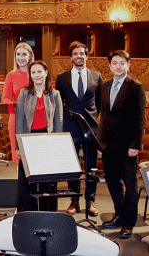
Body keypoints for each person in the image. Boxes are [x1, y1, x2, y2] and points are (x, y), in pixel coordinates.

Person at [99, 50, 146, 239]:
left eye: (122, 63)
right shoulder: (105, 86)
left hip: (128, 145)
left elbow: (140, 119)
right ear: (109, 66)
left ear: (128, 65)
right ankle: (118, 215)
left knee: (130, 185)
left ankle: (129, 222)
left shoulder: (136, 87)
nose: (118, 66)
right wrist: (100, 142)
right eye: (115, 63)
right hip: (108, 145)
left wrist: (135, 144)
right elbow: (104, 116)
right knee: (112, 182)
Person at [55, 41, 103, 217]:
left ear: (87, 56)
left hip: (90, 128)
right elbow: (59, 103)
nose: (79, 56)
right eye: (75, 54)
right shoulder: (62, 77)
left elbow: (99, 103)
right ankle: (74, 200)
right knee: (72, 166)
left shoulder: (97, 76)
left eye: (82, 53)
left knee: (92, 167)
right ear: (70, 58)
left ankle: (91, 201)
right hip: (70, 128)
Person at [15, 60, 63, 212]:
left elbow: (58, 121)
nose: (36, 75)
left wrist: (56, 144)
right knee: (26, 180)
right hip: (28, 139)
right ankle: (25, 213)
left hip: (47, 139)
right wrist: (18, 146)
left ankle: (47, 212)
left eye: (39, 71)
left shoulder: (55, 94)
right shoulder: (24, 93)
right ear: (30, 75)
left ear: (46, 72)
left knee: (47, 180)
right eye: (33, 72)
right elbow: (20, 120)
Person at [2, 42, 34, 164]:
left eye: (24, 54)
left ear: (30, 56)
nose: (21, 58)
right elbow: (6, 98)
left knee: (33, 157)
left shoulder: (36, 73)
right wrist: (17, 109)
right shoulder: (11, 75)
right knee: (19, 159)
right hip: (17, 119)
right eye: (18, 54)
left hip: (35, 118)